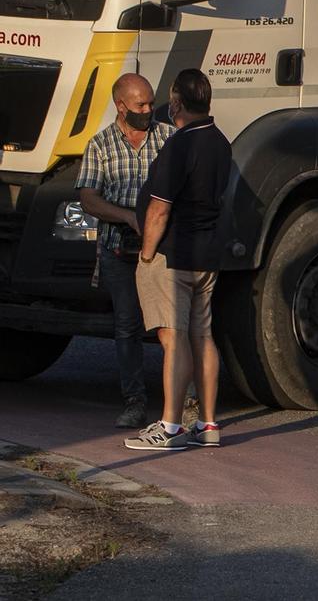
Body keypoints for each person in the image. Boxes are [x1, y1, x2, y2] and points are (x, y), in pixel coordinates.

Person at [124, 70, 232, 452]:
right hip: (207, 255)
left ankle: (170, 426)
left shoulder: (179, 145)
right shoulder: (221, 142)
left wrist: (147, 252)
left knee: (173, 338)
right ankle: (208, 423)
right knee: (203, 336)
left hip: (173, 256)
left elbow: (159, 209)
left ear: (177, 103)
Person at [74, 74, 169, 428]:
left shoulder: (168, 138)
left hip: (161, 252)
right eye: (140, 105)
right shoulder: (100, 145)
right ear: (121, 106)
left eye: (150, 102)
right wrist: (128, 218)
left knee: (171, 327)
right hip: (118, 253)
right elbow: (88, 199)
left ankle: (184, 402)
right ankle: (134, 402)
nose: (148, 110)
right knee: (127, 326)